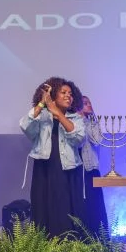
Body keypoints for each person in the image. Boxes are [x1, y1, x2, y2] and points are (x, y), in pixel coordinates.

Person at [20, 77, 86, 238]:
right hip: (44, 169)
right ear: (53, 95)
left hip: (68, 170)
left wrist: (58, 114)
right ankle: (45, 247)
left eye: (70, 93)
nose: (68, 96)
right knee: (42, 208)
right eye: (63, 92)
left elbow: (79, 138)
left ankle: (68, 245)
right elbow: (25, 127)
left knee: (66, 209)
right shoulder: (41, 116)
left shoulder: (75, 118)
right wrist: (42, 103)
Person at [78, 95, 109, 237]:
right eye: (85, 103)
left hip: (91, 169)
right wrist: (81, 120)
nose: (89, 105)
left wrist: (89, 121)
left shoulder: (93, 123)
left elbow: (96, 140)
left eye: (90, 102)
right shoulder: (73, 121)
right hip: (78, 169)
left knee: (96, 204)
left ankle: (98, 238)